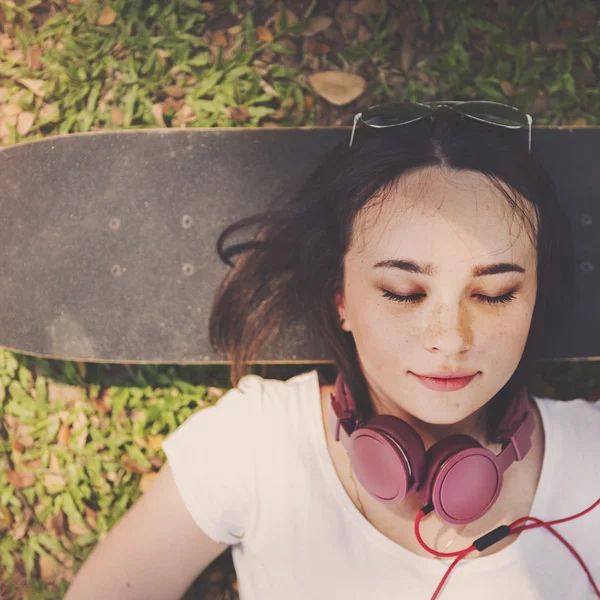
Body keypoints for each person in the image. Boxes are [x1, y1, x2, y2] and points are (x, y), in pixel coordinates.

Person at [64, 104, 600, 600]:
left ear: (534, 301)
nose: (450, 337)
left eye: (493, 294)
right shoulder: (255, 446)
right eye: (404, 293)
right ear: (341, 298)